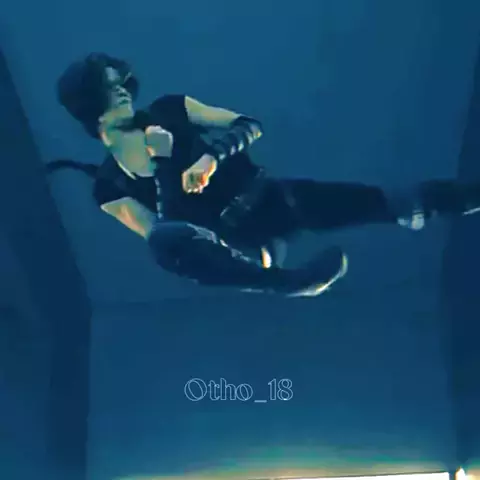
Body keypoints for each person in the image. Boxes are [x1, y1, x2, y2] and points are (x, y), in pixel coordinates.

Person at [49, 52, 480, 296]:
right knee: (166, 241)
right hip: (241, 245)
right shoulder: (109, 186)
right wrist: (162, 165)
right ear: (89, 102)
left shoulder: (170, 109)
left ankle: (460, 198)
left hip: (273, 198)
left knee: (380, 202)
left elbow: (248, 124)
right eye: (109, 85)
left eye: (121, 81)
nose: (122, 89)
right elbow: (166, 235)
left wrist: (210, 157)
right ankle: (287, 283)